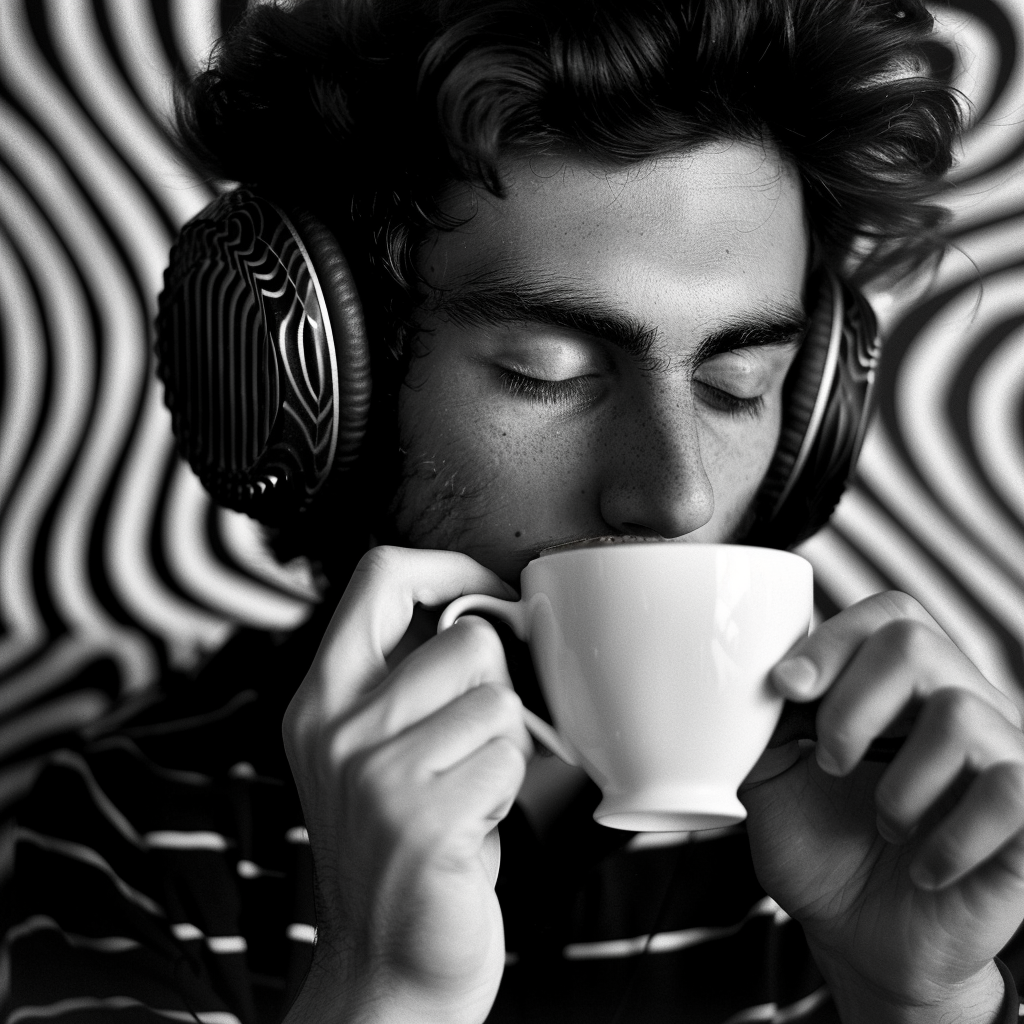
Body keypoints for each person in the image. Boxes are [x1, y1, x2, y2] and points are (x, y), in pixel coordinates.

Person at [3, 0, 1024, 1022]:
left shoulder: (904, 837)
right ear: (321, 383)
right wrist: (383, 985)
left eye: (738, 384)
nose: (675, 493)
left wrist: (921, 999)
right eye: (549, 372)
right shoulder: (128, 837)